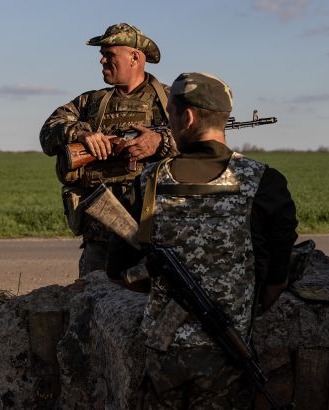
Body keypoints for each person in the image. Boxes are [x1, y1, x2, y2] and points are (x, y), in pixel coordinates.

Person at [107, 72, 298, 408]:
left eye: (170, 116)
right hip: (226, 350)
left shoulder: (149, 181)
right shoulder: (264, 181)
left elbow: (117, 268)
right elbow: (275, 278)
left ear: (187, 116)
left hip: (162, 353)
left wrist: (164, 293)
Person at [39, 23, 177, 277]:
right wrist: (82, 134)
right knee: (92, 302)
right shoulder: (90, 102)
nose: (102, 60)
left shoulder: (172, 100)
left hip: (156, 235)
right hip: (101, 237)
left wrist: (161, 141)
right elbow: (49, 131)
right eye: (102, 54)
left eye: (109, 54)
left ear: (135, 57)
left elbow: (204, 139)